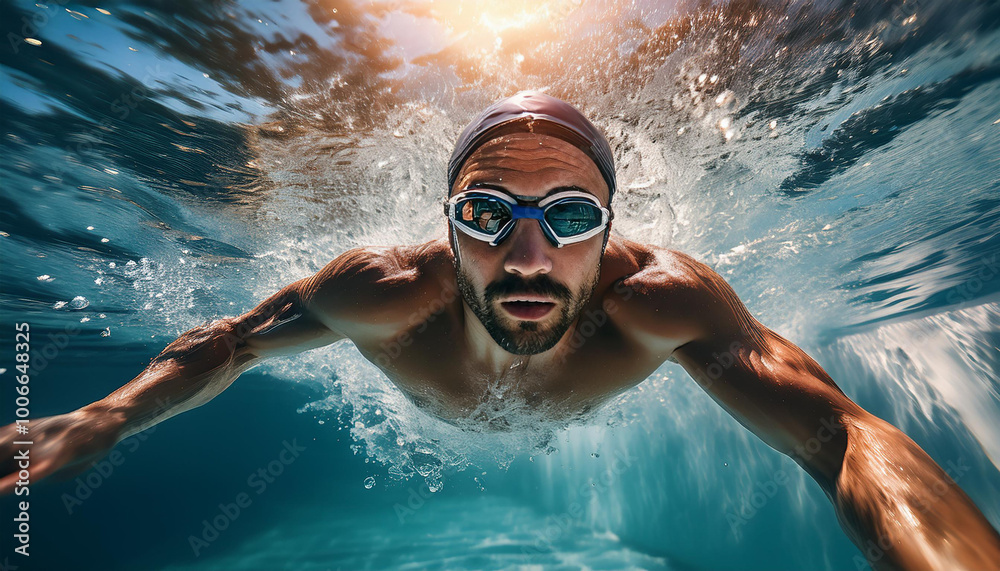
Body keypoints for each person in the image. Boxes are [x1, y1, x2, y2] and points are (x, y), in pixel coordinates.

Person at [2, 91, 998, 569]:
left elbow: (840, 433)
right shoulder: (384, 293)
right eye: (487, 214)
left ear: (610, 229)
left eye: (569, 217)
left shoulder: (661, 299)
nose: (527, 258)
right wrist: (107, 416)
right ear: (447, 224)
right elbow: (235, 340)